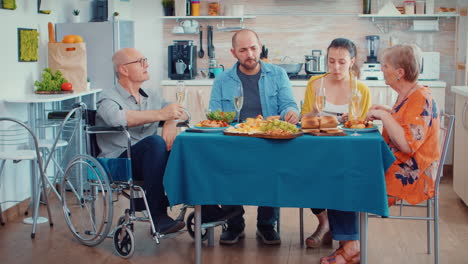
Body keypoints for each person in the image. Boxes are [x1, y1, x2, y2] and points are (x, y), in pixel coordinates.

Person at [320, 44, 440, 264]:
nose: (381, 70)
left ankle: (351, 247)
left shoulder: (420, 97)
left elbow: (406, 144)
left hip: (411, 173)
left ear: (399, 72)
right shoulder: (408, 94)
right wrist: (385, 111)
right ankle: (348, 242)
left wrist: (384, 117)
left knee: (342, 178)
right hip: (397, 162)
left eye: (385, 66)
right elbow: (405, 123)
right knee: (338, 169)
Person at [209, 29, 300, 245]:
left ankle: (266, 225)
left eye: (253, 48)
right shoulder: (222, 81)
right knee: (225, 167)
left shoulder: (278, 74)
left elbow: (289, 104)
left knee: (274, 167)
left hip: (269, 139)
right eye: (243, 50)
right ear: (234, 53)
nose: (249, 54)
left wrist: (291, 112)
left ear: (260, 48)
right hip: (235, 140)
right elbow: (214, 114)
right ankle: (234, 224)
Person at [96, 48, 189, 235]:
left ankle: (210, 211)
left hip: (152, 158)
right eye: (140, 61)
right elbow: (116, 118)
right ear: (123, 69)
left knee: (188, 148)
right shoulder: (107, 97)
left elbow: (182, 112)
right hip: (120, 162)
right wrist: (162, 114)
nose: (147, 65)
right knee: (155, 142)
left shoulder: (151, 95)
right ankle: (157, 215)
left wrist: (170, 121)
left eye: (145, 60)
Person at [300, 38, 371, 249]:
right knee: (305, 173)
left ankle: (347, 239)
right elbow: (305, 121)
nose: (336, 67)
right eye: (331, 61)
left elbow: (361, 127)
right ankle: (325, 223)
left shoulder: (361, 90)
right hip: (317, 149)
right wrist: (314, 113)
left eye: (341, 61)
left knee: (343, 176)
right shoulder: (315, 84)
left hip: (347, 152)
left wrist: (333, 122)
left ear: (352, 61)